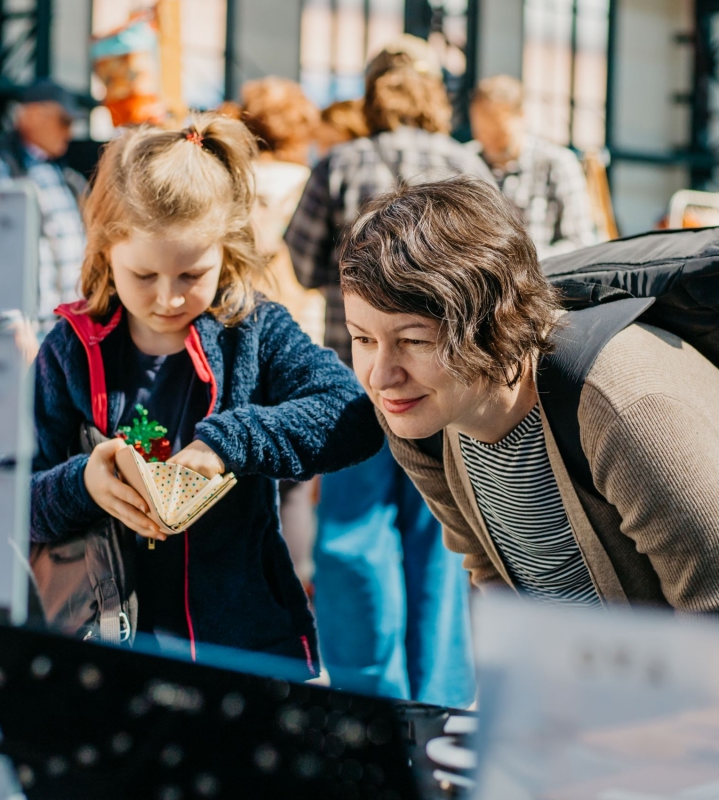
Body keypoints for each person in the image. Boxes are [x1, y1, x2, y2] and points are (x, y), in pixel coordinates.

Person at [30, 114, 383, 673]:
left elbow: (352, 414)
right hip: (102, 648)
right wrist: (84, 484)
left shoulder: (256, 330)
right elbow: (13, 501)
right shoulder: (69, 350)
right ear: (104, 253)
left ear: (228, 252)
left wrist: (229, 443)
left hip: (244, 647)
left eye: (192, 275)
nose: (168, 298)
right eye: (143, 276)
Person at [340, 175, 719, 612]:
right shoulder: (411, 414)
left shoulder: (622, 407)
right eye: (362, 339)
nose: (381, 377)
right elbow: (487, 569)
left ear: (492, 322)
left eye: (414, 341)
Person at [286, 35, 490, 707]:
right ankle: (440, 705)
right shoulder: (467, 168)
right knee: (441, 543)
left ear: (370, 93)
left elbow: (309, 264)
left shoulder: (341, 163)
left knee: (353, 538)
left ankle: (372, 706)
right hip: (448, 385)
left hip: (361, 380)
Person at [238, 76, 324, 588]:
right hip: (303, 330)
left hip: (242, 329)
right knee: (294, 477)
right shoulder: (310, 180)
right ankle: (294, 587)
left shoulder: (235, 181)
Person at [468, 74, 598, 258]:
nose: (488, 140)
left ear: (522, 116)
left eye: (499, 133)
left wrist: (525, 263)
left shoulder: (557, 163)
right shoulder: (465, 161)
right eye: (481, 131)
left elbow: (582, 242)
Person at [0, 80, 88, 325]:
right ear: (33, 116)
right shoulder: (0, 172)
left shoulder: (61, 173)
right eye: (64, 121)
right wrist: (14, 320)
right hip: (30, 326)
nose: (69, 132)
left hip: (66, 323)